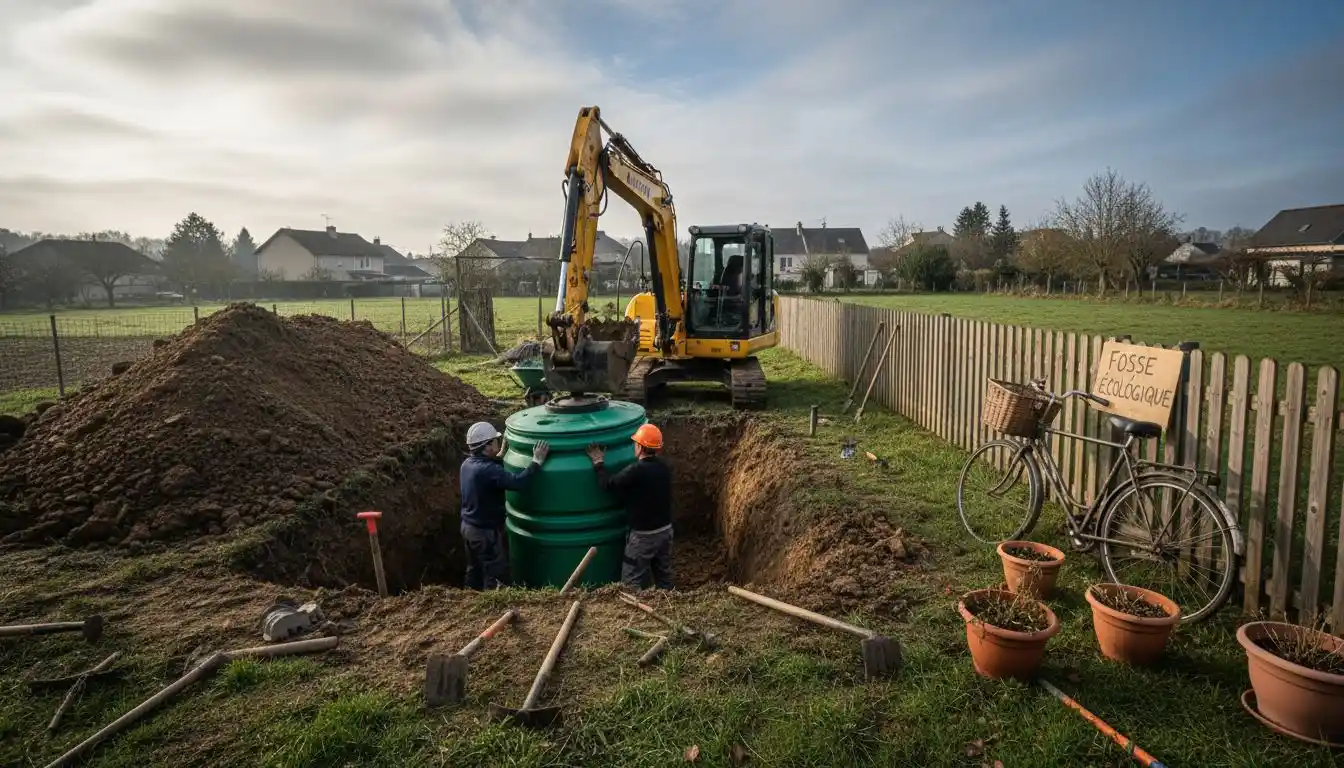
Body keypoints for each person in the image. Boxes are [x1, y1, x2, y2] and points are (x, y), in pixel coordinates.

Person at [459, 421, 549, 590]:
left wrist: (499, 455)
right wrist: (536, 461)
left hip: (467, 528)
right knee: (495, 573)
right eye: (495, 441)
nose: (497, 443)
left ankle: (468, 599)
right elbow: (518, 482)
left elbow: (489, 471)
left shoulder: (467, 465)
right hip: (484, 533)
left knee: (474, 570)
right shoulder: (488, 471)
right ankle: (493, 607)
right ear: (487, 445)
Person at [586, 423, 673, 591]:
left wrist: (598, 463)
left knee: (630, 582)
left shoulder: (635, 471)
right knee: (664, 578)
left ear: (639, 447)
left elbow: (609, 485)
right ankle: (669, 604)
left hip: (643, 537)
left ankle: (634, 610)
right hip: (665, 532)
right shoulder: (664, 468)